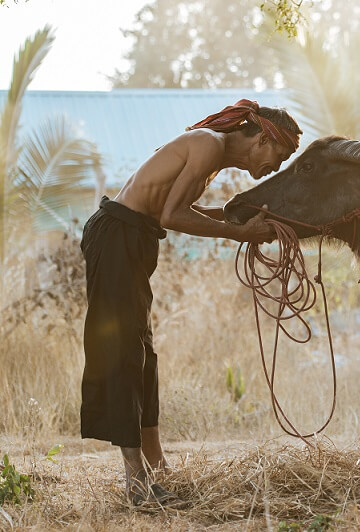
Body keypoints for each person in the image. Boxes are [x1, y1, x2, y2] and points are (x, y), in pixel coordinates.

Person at [79, 99, 302, 506]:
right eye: (281, 155)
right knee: (125, 352)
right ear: (263, 138)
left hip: (133, 239)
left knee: (143, 355)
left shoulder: (211, 156)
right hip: (117, 237)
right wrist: (240, 235)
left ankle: (158, 467)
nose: (277, 166)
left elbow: (178, 206)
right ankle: (136, 483)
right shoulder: (208, 145)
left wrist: (237, 217)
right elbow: (172, 215)